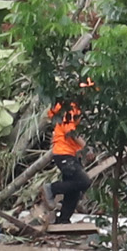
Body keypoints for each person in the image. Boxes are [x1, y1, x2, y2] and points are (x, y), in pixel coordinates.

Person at [44, 79, 92, 221]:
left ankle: (63, 220)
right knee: (83, 182)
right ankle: (51, 189)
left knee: (74, 191)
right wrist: (86, 148)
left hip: (70, 153)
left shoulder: (76, 108)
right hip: (63, 153)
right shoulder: (70, 108)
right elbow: (70, 131)